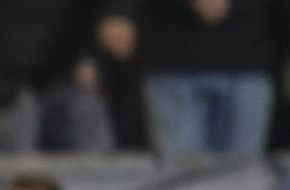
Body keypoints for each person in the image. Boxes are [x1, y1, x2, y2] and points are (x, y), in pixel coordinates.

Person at [98, 0, 275, 157]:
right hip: (172, 54)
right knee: (180, 176)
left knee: (242, 178)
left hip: (248, 59)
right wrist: (119, 9)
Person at [0, 0, 115, 151]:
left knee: (86, 110)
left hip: (62, 78)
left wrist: (90, 57)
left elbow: (93, 11)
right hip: (3, 83)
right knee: (19, 122)